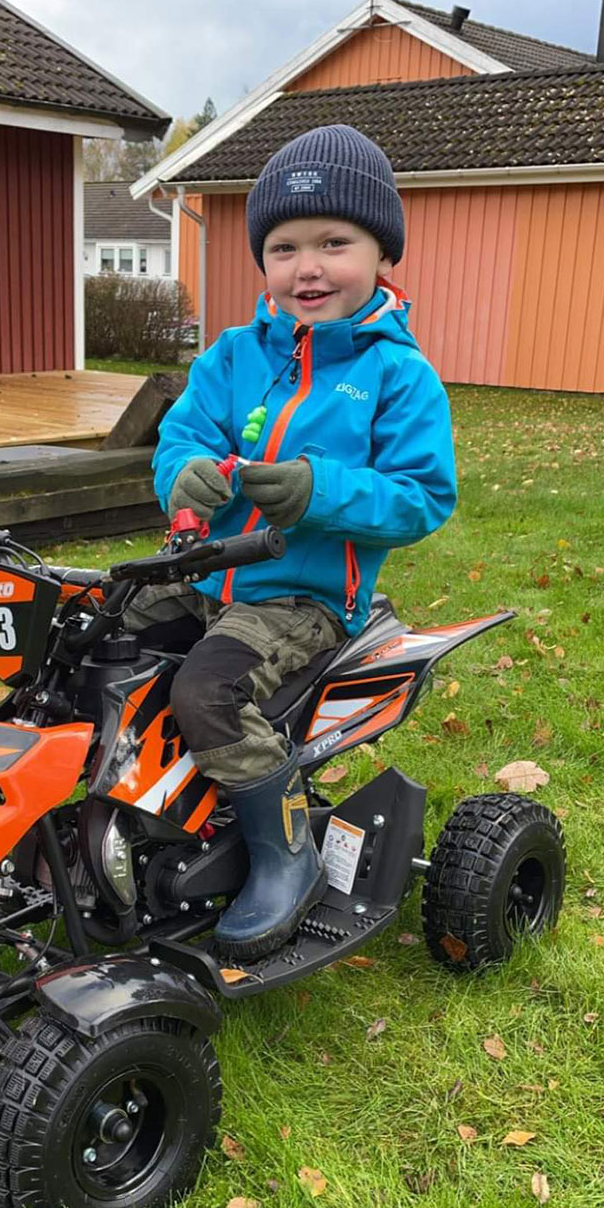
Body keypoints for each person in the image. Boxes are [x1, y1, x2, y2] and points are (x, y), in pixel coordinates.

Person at [125, 124, 457, 961]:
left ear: (383, 252)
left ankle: (284, 851)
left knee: (207, 692)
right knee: (94, 627)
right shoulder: (233, 356)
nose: (307, 267)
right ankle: (117, 809)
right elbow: (180, 439)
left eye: (333, 243)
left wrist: (322, 492)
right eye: (284, 247)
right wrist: (182, 477)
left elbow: (424, 497)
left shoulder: (399, 375)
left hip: (300, 596)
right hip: (207, 572)